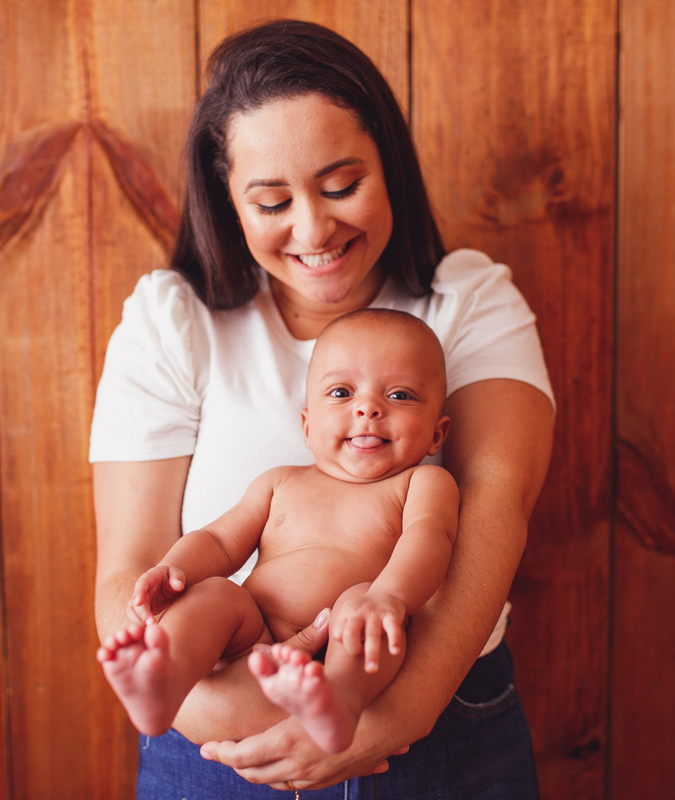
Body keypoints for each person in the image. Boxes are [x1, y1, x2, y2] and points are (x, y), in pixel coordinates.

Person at [91, 19, 555, 798]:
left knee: (355, 627)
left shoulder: (466, 301)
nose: (315, 229)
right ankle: (157, 685)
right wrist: (214, 685)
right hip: (217, 734)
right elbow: (134, 571)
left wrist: (389, 714)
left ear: (389, 167)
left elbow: (494, 515)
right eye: (272, 201)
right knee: (204, 600)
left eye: (342, 186)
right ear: (229, 202)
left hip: (435, 716)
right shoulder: (174, 321)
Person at [98, 309, 459, 755]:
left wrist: (390, 595)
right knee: (214, 594)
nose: (368, 408)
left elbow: (430, 541)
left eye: (400, 395)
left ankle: (338, 703)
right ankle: (164, 681)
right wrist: (174, 571)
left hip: (340, 644)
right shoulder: (281, 482)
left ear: (437, 435)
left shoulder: (422, 483)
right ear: (307, 426)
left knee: (363, 610)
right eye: (342, 392)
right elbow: (218, 541)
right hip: (253, 631)